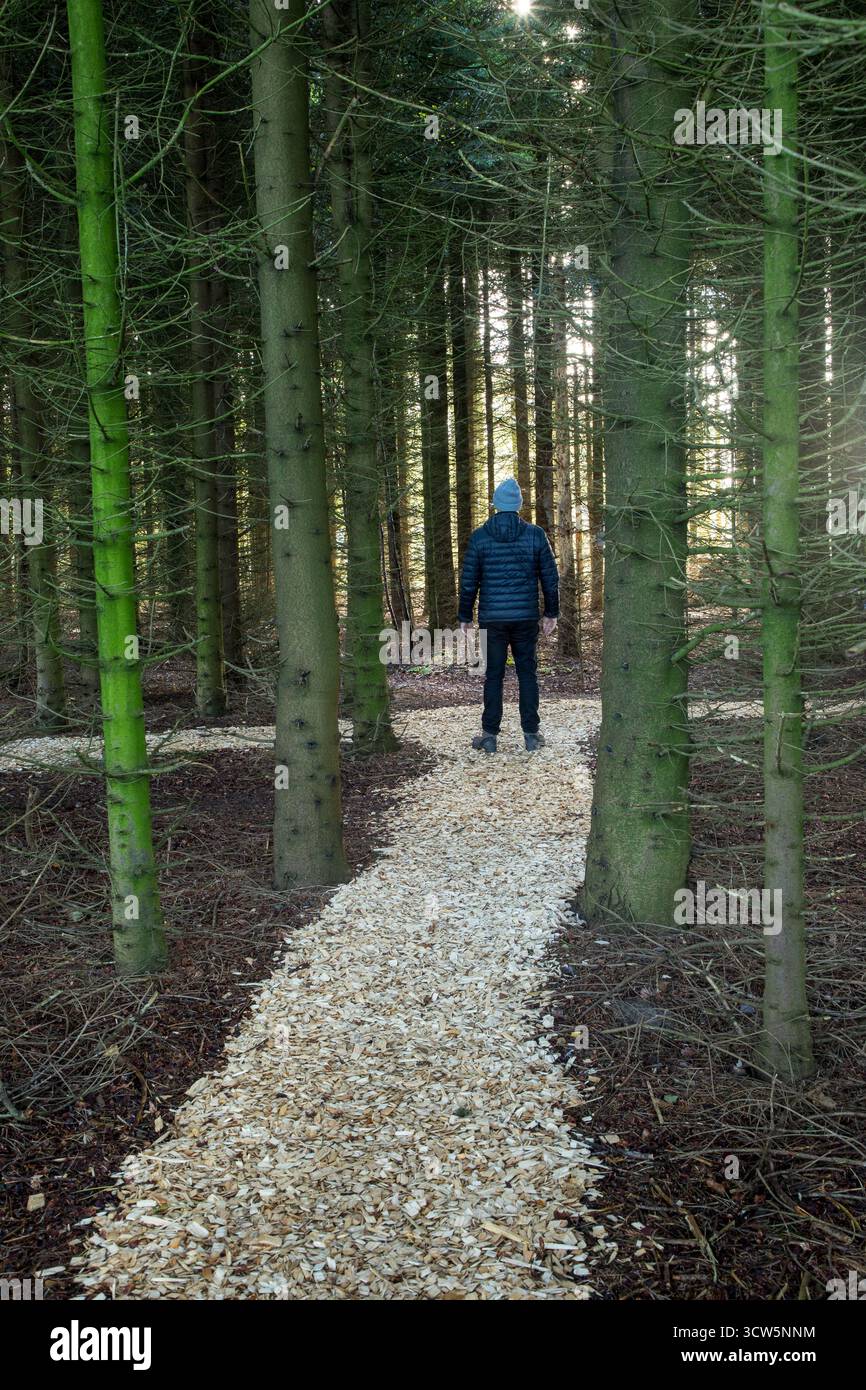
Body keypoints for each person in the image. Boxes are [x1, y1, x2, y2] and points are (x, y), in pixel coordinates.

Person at [457, 476, 559, 752]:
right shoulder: (536, 535)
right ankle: (531, 735)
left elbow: (469, 582)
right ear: (519, 505)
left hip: (493, 619)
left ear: (495, 504)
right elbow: (550, 579)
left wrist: (465, 616)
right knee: (528, 673)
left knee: (493, 675)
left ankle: (489, 736)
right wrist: (551, 613)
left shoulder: (480, 537)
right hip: (525, 616)